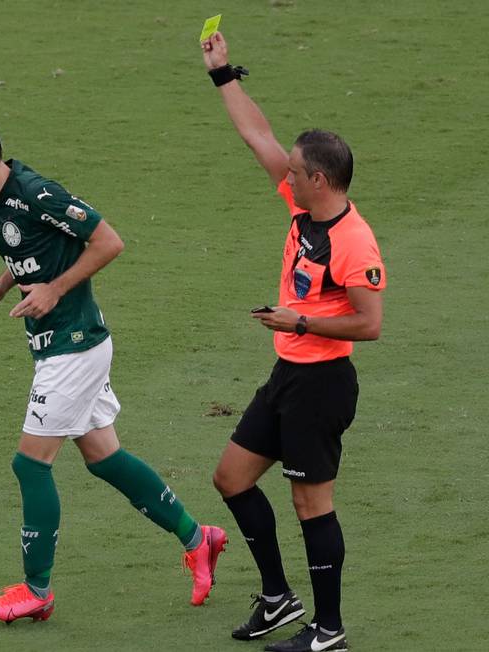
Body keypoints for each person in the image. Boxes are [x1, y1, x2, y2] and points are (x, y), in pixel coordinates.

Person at [0, 112, 227, 624]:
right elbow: (33, 245)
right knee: (104, 457)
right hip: (61, 344)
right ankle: (197, 537)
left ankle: (37, 591)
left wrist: (55, 289)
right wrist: (3, 285)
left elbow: (108, 241)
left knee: (30, 464)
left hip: (73, 345)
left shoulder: (37, 192)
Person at [199, 31, 387, 652]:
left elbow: (370, 323)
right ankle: (279, 597)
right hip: (288, 374)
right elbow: (257, 136)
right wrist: (224, 75)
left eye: (298, 171)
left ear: (322, 179)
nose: (287, 172)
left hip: (322, 383)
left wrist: (300, 322)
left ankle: (328, 629)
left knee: (312, 506)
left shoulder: (353, 241)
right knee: (232, 478)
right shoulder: (303, 210)